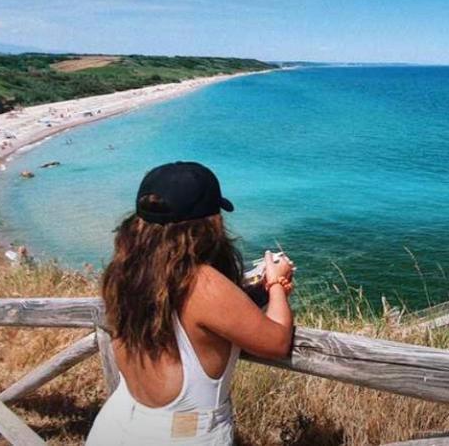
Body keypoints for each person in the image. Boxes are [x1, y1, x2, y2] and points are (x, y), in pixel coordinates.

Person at [87, 162, 295, 445]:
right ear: (208, 224)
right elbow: (277, 342)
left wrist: (256, 294)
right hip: (180, 435)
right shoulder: (201, 283)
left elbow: (187, 319)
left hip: (119, 423)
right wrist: (276, 284)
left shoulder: (126, 273)